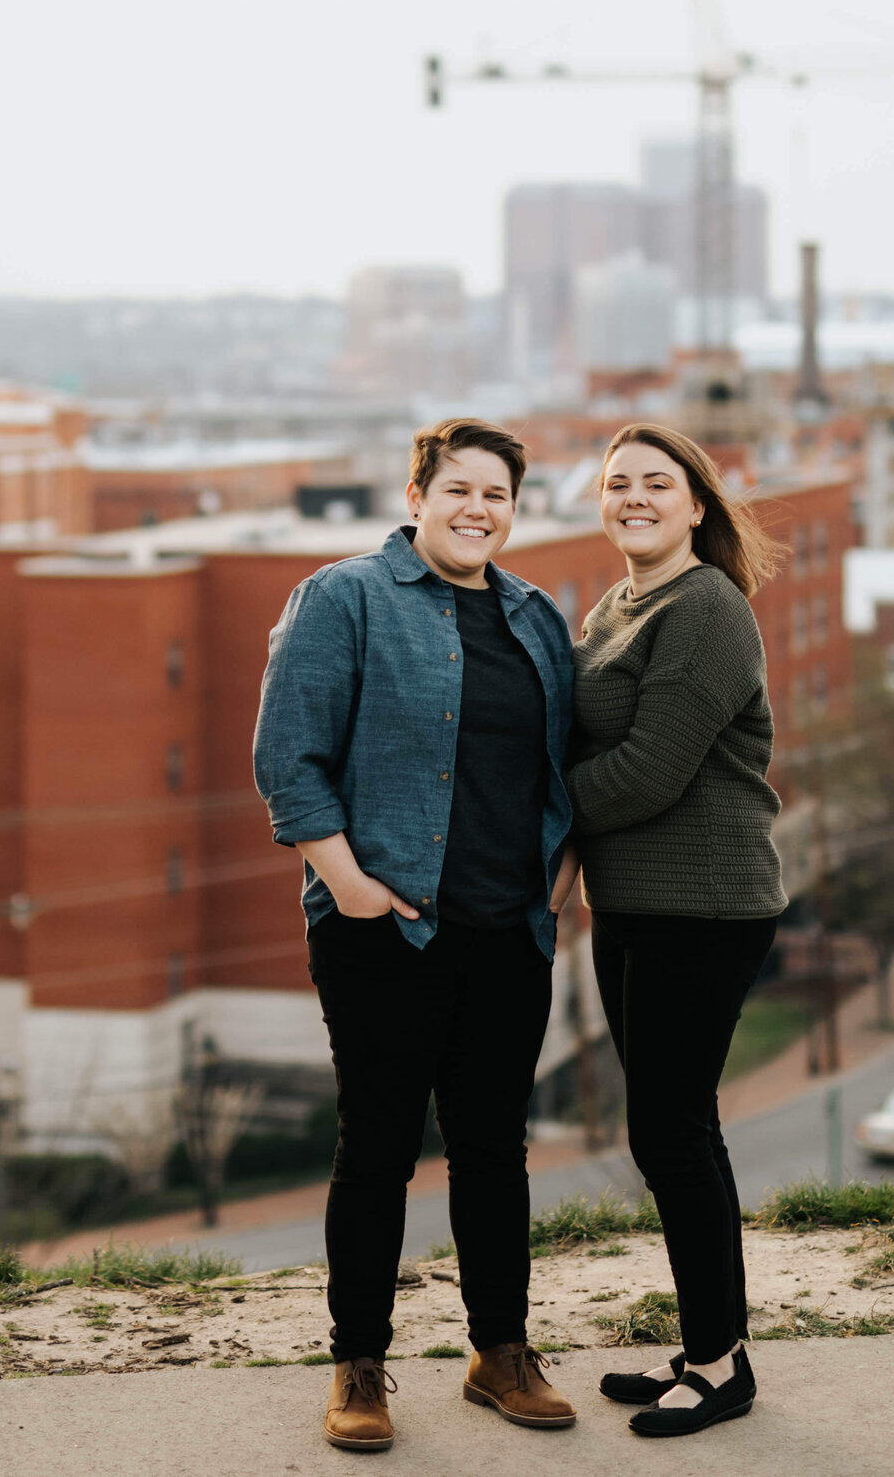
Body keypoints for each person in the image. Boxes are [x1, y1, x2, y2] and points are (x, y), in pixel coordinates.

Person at [253, 417, 582, 1453]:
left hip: (507, 926)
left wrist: (557, 880)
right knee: (379, 1147)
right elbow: (286, 755)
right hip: (382, 928)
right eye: (459, 489)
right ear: (418, 494)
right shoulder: (343, 596)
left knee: (493, 1149)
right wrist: (345, 883)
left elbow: (558, 773)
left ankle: (500, 1351)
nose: (477, 508)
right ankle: (359, 1363)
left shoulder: (534, 618)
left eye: (497, 494)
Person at [566, 422, 786, 1439]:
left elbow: (649, 772)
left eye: (658, 482)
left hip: (703, 905)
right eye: (618, 484)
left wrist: (526, 822)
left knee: (672, 1128)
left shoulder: (705, 607)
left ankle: (719, 1363)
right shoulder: (619, 603)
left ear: (697, 503)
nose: (634, 497)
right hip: (635, 904)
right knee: (667, 1127)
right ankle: (709, 1345)